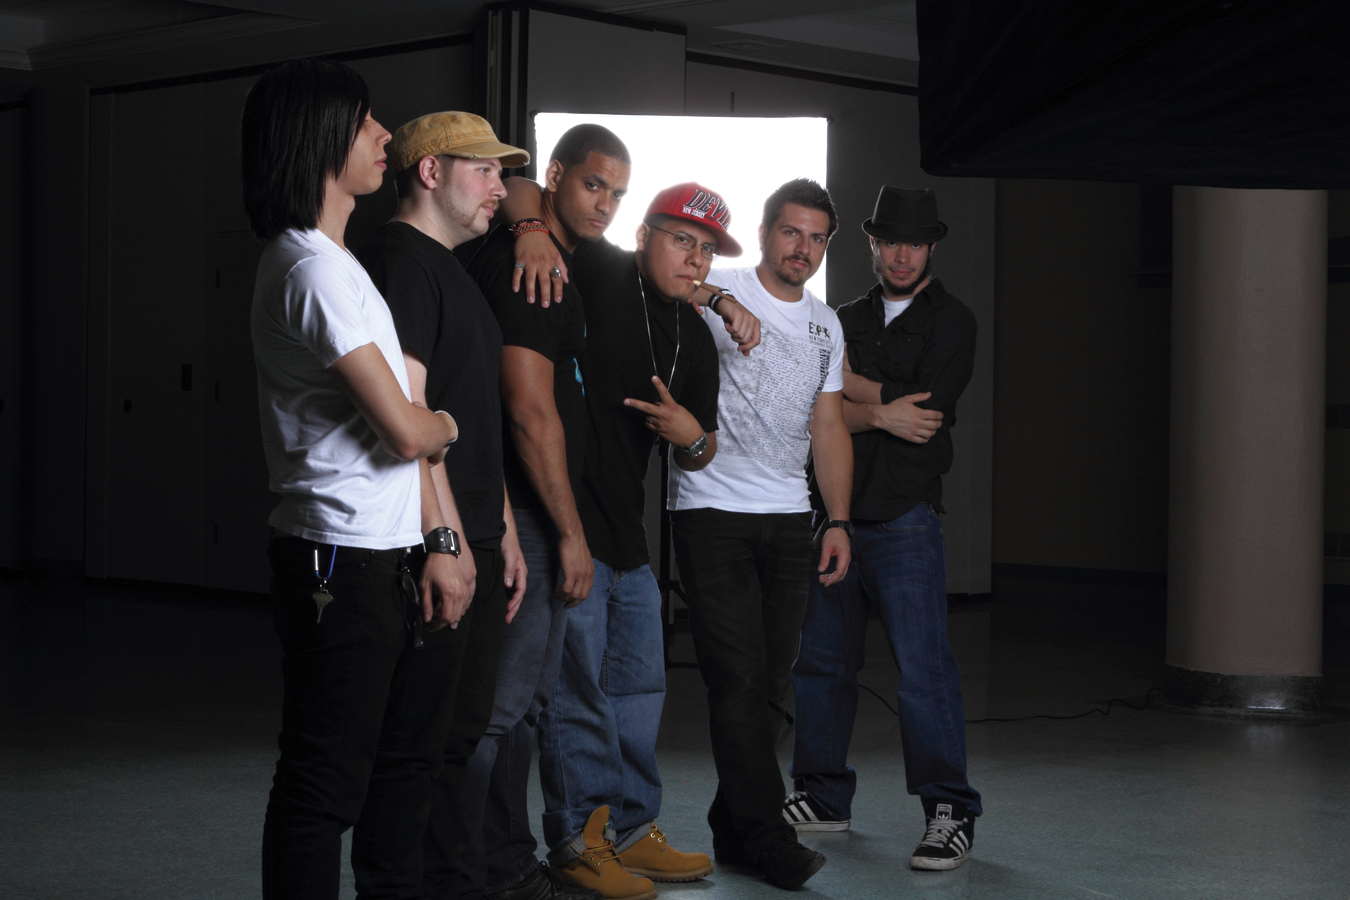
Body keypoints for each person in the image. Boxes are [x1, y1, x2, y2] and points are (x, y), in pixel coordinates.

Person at [503, 177, 760, 899]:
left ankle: (634, 831)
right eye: (682, 240)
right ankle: (579, 842)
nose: (695, 259)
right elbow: (522, 188)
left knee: (640, 694)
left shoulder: (696, 338)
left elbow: (701, 452)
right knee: (575, 697)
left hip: (631, 542)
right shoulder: (602, 269)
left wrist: (692, 435)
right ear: (643, 236)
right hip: (571, 526)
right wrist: (529, 231)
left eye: (707, 251)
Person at [244, 59, 459, 900]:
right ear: (317, 137)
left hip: (378, 551)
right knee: (322, 785)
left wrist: (434, 536)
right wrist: (446, 424)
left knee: (388, 770)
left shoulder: (335, 262)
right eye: (366, 121)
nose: (384, 135)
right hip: (338, 557)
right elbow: (408, 427)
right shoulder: (311, 269)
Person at [355, 111, 534, 899]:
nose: (501, 187)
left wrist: (504, 532)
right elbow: (413, 417)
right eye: (484, 170)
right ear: (430, 172)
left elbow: (472, 415)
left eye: (502, 172)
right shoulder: (401, 263)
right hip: (436, 543)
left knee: (458, 740)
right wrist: (446, 542)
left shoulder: (451, 268)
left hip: (477, 536)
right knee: (416, 747)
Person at [453, 123, 635, 900]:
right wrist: (568, 532)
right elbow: (528, 412)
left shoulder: (550, 253)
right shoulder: (529, 270)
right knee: (496, 711)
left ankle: (506, 864)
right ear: (557, 176)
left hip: (534, 519)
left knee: (525, 707)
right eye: (594, 184)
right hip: (521, 522)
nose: (605, 204)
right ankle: (466, 873)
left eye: (617, 194)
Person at [663, 178, 853, 891]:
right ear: (768, 231)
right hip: (711, 511)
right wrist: (718, 298)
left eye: (816, 238)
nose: (802, 248)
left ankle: (732, 826)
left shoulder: (826, 326)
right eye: (791, 232)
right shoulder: (722, 284)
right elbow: (660, 276)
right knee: (737, 678)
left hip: (790, 517)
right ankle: (769, 835)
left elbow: (827, 426)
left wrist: (837, 519)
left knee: (772, 685)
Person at [785, 186, 982, 871]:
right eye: (890, 241)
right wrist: (875, 410)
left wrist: (851, 393)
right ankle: (822, 797)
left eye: (915, 243)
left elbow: (925, 412)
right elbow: (815, 406)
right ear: (872, 244)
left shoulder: (953, 322)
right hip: (835, 517)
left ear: (931, 248)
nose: (902, 255)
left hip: (904, 520)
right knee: (821, 666)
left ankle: (949, 811)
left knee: (924, 673)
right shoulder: (839, 319)